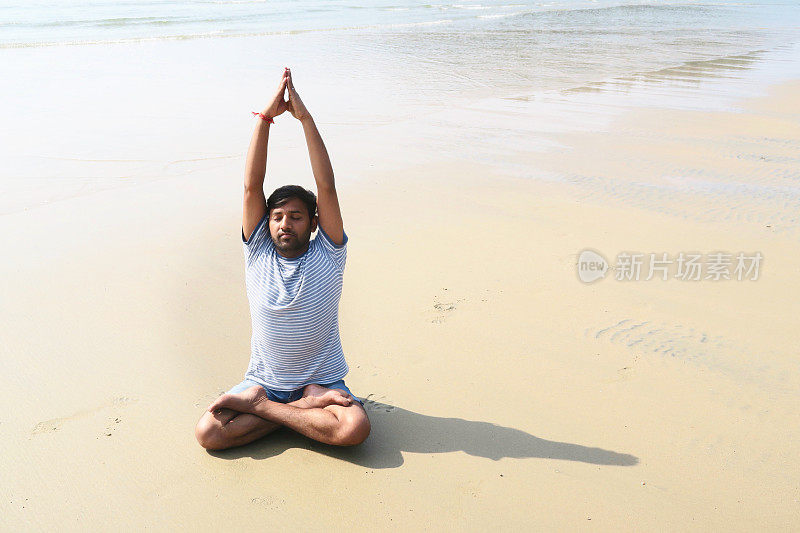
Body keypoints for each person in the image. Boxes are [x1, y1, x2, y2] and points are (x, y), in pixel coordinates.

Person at [194, 68, 370, 450]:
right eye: (277, 217)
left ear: (313, 223)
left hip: (322, 379)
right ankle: (304, 412)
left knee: (355, 429)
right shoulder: (257, 251)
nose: (284, 224)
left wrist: (304, 119)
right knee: (207, 433)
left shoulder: (328, 252)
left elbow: (327, 186)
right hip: (265, 381)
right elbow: (250, 186)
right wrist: (265, 118)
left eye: (295, 216)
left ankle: (272, 411)